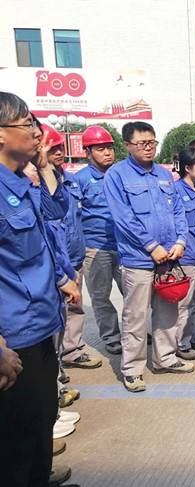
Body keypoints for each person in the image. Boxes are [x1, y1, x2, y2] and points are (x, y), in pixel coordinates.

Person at [0, 91, 73, 486]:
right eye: (27, 123)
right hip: (14, 338)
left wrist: (44, 169)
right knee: (17, 441)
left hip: (42, 323)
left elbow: (55, 214)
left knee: (43, 419)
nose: (36, 132)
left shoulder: (19, 183)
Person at [104, 121, 194, 393]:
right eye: (142, 143)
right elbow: (123, 218)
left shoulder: (164, 174)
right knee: (135, 315)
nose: (148, 148)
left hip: (169, 257)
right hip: (139, 259)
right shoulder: (117, 175)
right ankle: (132, 369)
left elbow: (178, 211)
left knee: (168, 310)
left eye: (152, 142)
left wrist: (180, 241)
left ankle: (165, 358)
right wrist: (151, 246)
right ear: (127, 145)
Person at [39, 124, 101, 371]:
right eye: (52, 148)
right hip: (53, 262)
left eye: (60, 147)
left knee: (75, 308)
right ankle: (53, 367)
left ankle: (72, 351)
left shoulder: (71, 180)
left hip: (74, 256)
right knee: (54, 313)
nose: (58, 152)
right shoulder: (36, 183)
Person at [74, 125, 124, 355]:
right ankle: (112, 336)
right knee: (101, 296)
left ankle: (134, 331)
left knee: (134, 294)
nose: (107, 153)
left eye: (109, 148)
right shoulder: (80, 180)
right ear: (88, 152)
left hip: (124, 246)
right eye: (100, 148)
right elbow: (73, 216)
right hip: (95, 247)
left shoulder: (121, 174)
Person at [172, 147, 195, 360]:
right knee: (184, 304)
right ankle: (181, 343)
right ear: (187, 168)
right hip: (186, 256)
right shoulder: (176, 191)